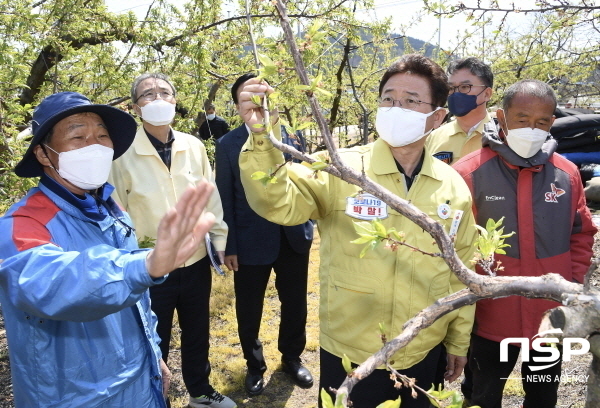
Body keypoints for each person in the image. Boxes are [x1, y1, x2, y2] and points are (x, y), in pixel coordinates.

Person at [236, 54, 478, 408]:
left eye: (411, 101)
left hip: (423, 348)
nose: (396, 108)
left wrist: (458, 341)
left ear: (437, 117)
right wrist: (261, 136)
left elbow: (463, 269)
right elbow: (277, 201)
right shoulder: (342, 168)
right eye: (388, 98)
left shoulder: (452, 187)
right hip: (350, 350)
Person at [0, 91, 216, 407]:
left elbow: (139, 305)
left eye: (102, 135)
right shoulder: (23, 222)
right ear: (44, 154)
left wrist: (154, 356)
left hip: (138, 385)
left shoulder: (110, 209)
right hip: (74, 398)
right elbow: (49, 281)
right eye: (78, 136)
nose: (95, 144)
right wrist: (143, 266)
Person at [453, 79, 597, 408]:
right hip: (489, 318)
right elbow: (455, 248)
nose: (532, 128)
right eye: (522, 119)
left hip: (548, 318)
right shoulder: (469, 173)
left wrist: (571, 284)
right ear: (501, 118)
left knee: (543, 395)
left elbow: (581, 233)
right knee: (481, 397)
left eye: (542, 122)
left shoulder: (567, 173)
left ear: (552, 123)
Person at [109, 73, 235, 408]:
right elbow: (115, 210)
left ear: (175, 101)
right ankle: (154, 397)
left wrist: (219, 240)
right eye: (147, 94)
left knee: (197, 331)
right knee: (153, 337)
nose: (157, 99)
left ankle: (200, 391)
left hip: (194, 259)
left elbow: (211, 197)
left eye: (164, 92)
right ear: (136, 107)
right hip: (148, 265)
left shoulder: (193, 146)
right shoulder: (121, 154)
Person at [215, 73, 315, 397]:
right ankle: (254, 365)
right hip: (249, 240)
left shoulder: (291, 136)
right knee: (248, 307)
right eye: (249, 94)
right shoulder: (228, 144)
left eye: (263, 92)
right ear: (237, 104)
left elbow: (306, 182)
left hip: (293, 236)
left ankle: (291, 358)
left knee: (295, 303)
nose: (258, 99)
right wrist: (228, 245)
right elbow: (225, 197)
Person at [426, 57, 494, 165]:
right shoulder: (433, 138)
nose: (456, 93)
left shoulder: (502, 137)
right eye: (451, 88)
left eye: (465, 87)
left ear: (487, 94)